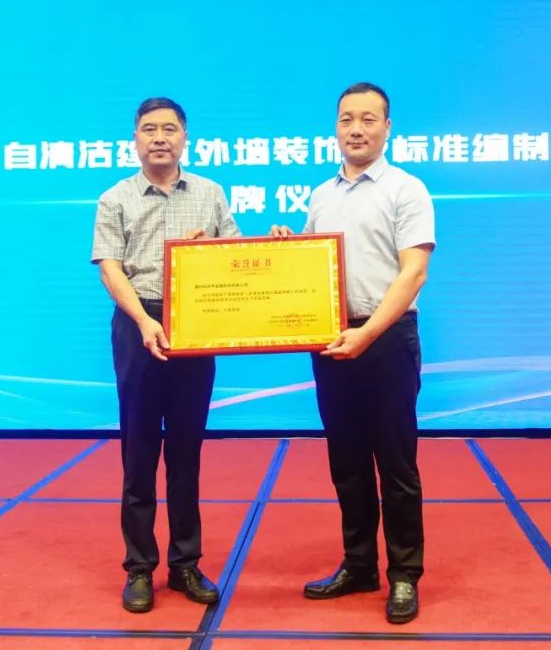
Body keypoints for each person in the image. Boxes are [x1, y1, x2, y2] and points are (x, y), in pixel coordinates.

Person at [271, 82, 435, 623]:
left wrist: (368, 333)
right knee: (347, 462)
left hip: (385, 339)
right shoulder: (322, 195)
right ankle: (359, 565)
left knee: (396, 463)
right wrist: (286, 247)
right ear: (335, 128)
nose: (356, 129)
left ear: (388, 128)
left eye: (368, 119)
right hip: (331, 337)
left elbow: (414, 273)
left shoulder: (406, 189)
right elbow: (312, 266)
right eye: (347, 120)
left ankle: (404, 574)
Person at [92, 97, 240, 613]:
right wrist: (144, 320)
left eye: (170, 129)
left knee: (185, 451)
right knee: (138, 452)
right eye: (150, 129)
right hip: (139, 324)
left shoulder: (210, 193)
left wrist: (206, 252)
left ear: (185, 138)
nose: (160, 137)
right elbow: (110, 268)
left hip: (194, 327)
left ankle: (185, 564)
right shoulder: (115, 198)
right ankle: (139, 567)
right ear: (135, 139)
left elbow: (235, 257)